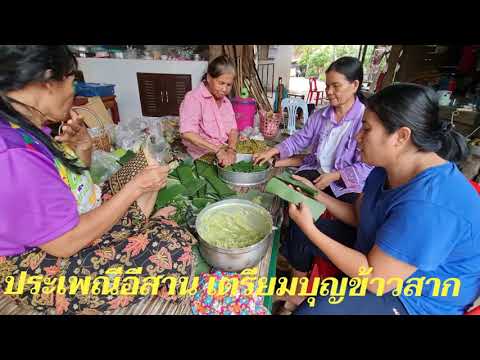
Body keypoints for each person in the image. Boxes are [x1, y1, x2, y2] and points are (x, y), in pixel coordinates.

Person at [0, 46, 196, 315]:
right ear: (48, 82)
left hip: (64, 221)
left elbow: (64, 188)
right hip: (34, 265)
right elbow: (64, 243)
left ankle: (138, 227)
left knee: (138, 166)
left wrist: (84, 147)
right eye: (73, 80)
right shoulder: (14, 154)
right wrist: (135, 188)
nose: (74, 91)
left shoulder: (26, 127)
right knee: (173, 246)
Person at [284, 83, 480, 315]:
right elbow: (359, 217)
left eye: (366, 129)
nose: (358, 136)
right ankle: (297, 292)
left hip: (413, 296)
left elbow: (376, 280)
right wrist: (313, 193)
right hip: (378, 251)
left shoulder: (430, 203)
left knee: (315, 311)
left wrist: (312, 229)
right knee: (299, 230)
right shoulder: (384, 168)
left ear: (401, 136)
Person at [254, 56, 373, 204]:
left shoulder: (365, 121)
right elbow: (299, 139)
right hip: (316, 171)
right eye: (327, 86)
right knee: (288, 195)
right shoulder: (320, 116)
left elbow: (367, 166)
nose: (329, 91)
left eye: (336, 86)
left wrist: (335, 176)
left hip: (345, 185)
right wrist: (273, 151)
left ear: (355, 85)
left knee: (345, 210)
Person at [180, 55, 238, 166]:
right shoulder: (194, 98)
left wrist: (231, 150)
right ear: (209, 78)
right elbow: (187, 133)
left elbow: (233, 130)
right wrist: (217, 150)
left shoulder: (226, 103)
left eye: (229, 85)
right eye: (221, 83)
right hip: (201, 154)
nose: (224, 89)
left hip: (223, 150)